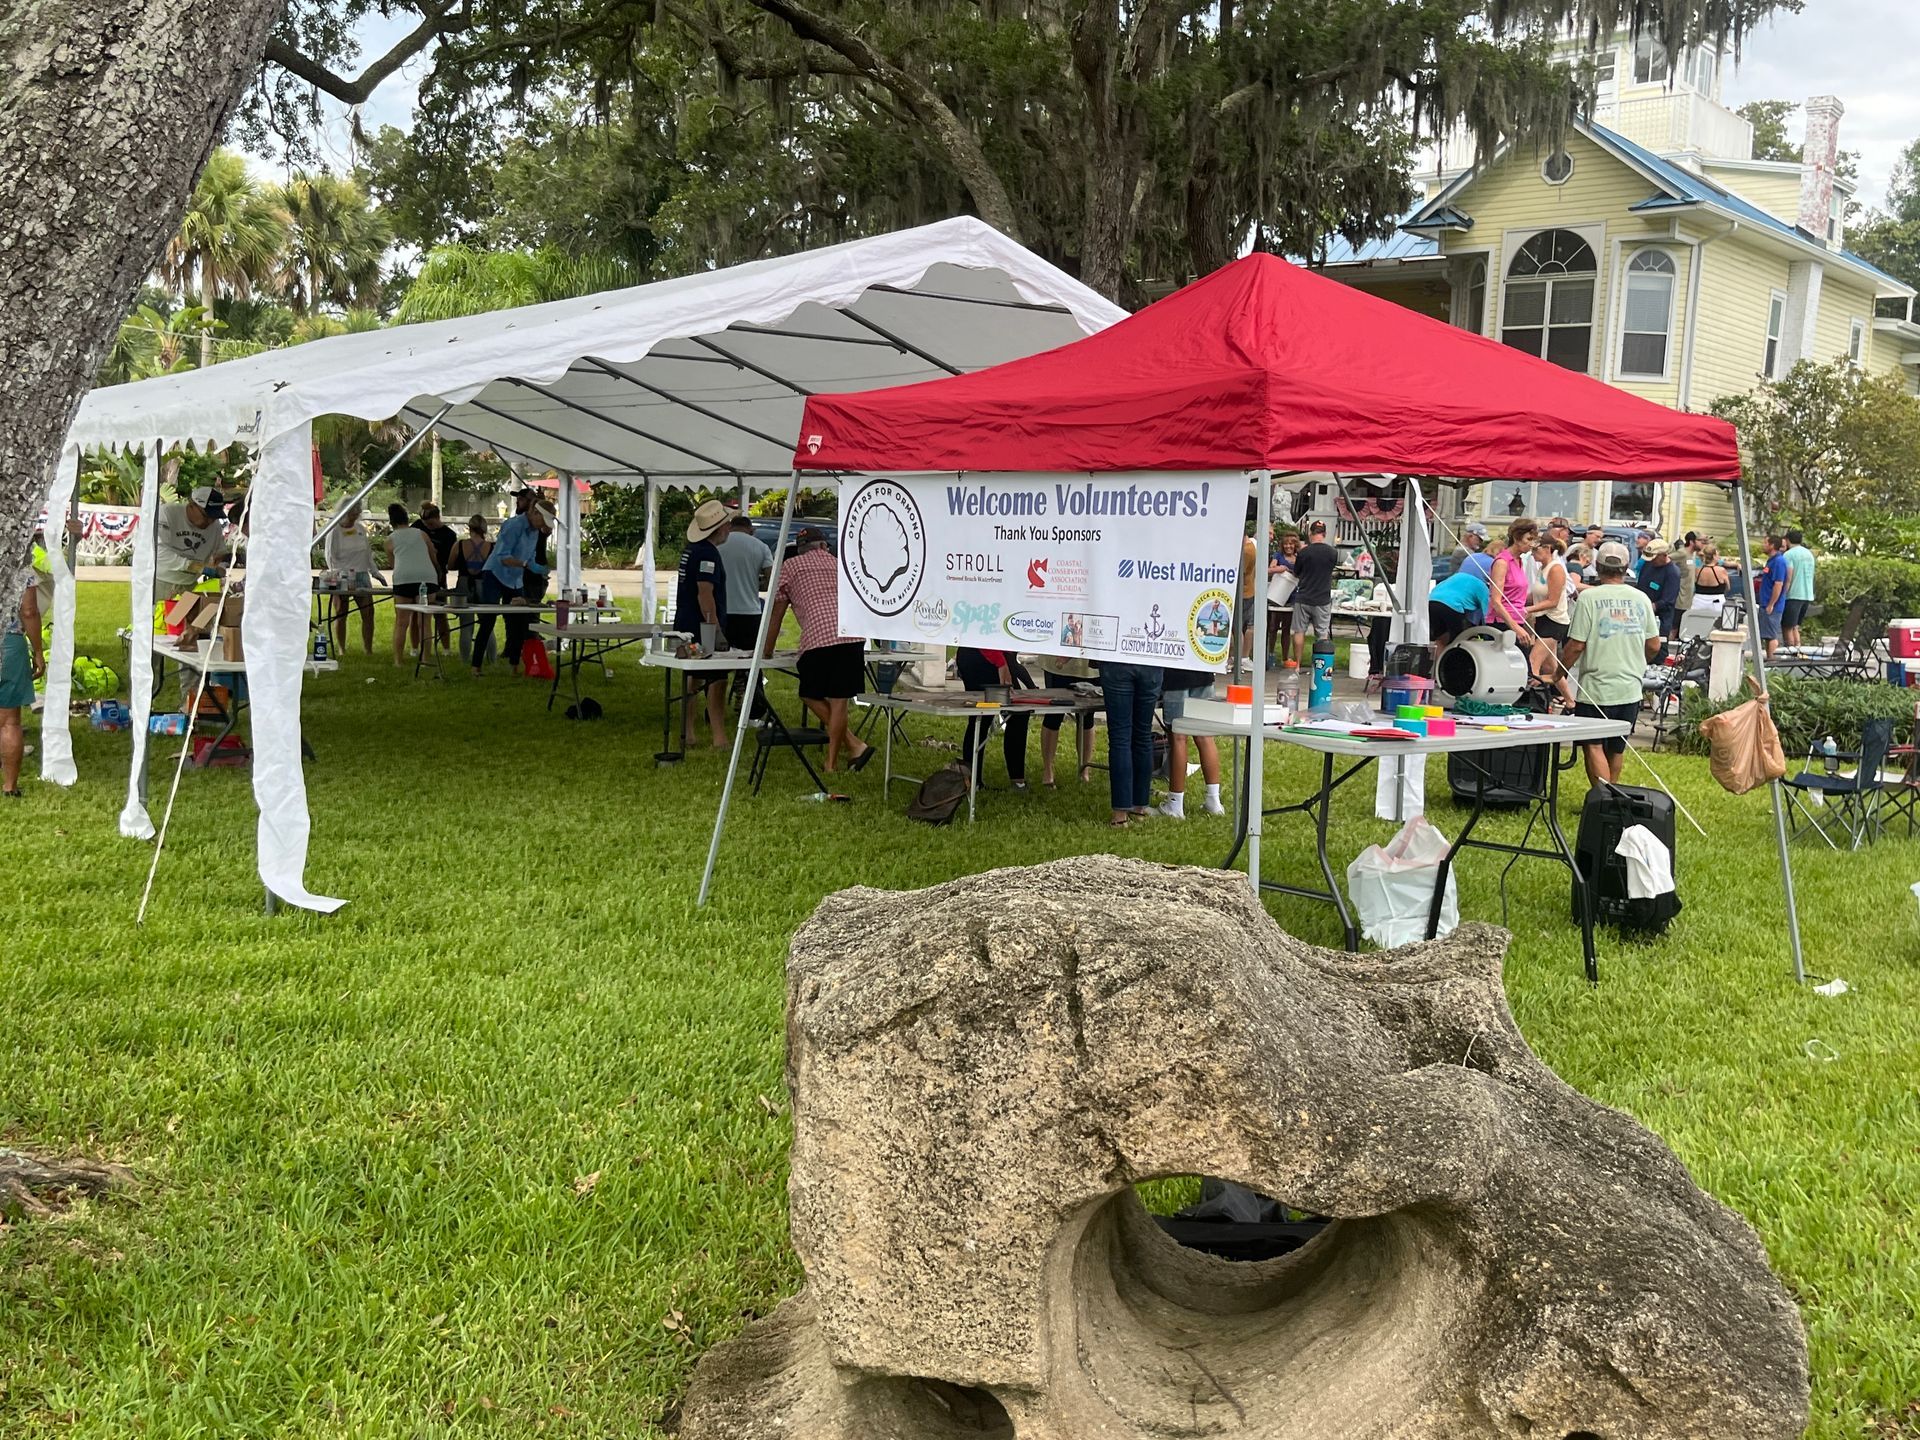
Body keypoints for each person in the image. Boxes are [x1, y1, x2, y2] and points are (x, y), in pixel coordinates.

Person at [764, 526, 872, 772]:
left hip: (819, 637)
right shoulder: (841, 565)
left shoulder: (790, 567)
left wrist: (766, 651)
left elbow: (776, 614)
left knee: (809, 694)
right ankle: (837, 759)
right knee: (839, 701)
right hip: (851, 634)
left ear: (799, 550)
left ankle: (851, 747)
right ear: (824, 546)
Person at [1560, 540, 1661, 786]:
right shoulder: (1641, 598)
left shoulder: (1589, 598)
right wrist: (1639, 661)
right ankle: (1611, 797)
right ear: (1626, 567)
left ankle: (1603, 799)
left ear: (1597, 565)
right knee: (1617, 747)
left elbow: (1576, 645)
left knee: (1593, 744)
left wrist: (1558, 672)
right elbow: (1654, 645)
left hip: (1595, 686)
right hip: (1630, 686)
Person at [674, 499, 734, 749]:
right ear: (719, 529)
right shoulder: (708, 554)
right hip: (702, 628)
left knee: (692, 677)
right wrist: (715, 627)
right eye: (727, 525)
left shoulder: (691, 550)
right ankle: (719, 736)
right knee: (717, 677)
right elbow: (705, 593)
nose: (729, 528)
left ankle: (689, 732)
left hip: (685, 624)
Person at [472, 500, 552, 676]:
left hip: (515, 579)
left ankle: (514, 665)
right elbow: (502, 556)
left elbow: (529, 556)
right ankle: (476, 666)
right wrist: (525, 564)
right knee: (488, 620)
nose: (544, 527)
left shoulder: (535, 532)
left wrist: (536, 568)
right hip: (495, 574)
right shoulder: (514, 525)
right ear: (535, 513)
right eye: (543, 521)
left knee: (519, 621)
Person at [956, 647, 1032, 789]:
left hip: (991, 655)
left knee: (1016, 714)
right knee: (983, 717)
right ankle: (974, 781)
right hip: (983, 655)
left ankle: (1014, 779)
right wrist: (1000, 662)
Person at [1100, 661, 1162, 827]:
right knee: (1142, 735)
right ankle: (1139, 807)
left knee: (1120, 737)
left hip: (1117, 662)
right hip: (1152, 661)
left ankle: (1120, 815)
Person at [1158, 668, 1224, 818]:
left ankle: (1175, 803)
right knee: (1205, 735)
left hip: (1175, 675)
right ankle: (1214, 800)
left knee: (1178, 737)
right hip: (1204, 671)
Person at [1, 574, 43, 797]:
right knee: (9, 721)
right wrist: (37, 651)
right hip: (9, 643)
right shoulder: (21, 565)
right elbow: (29, 611)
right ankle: (10, 786)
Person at [323, 502, 381, 656]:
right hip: (341, 576)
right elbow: (330, 557)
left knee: (368, 613)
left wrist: (375, 573)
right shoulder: (334, 530)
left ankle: (368, 649)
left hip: (361, 575)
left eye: (357, 513)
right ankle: (341, 648)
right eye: (352, 513)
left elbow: (367, 555)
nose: (355, 516)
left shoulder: (360, 529)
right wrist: (340, 576)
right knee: (341, 612)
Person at [1525, 532, 1576, 707]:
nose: (1532, 554)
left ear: (1547, 549)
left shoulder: (1556, 568)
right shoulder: (1542, 568)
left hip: (1554, 622)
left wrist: (1528, 609)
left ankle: (1533, 703)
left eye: (1535, 550)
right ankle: (1570, 702)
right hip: (1542, 620)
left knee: (1532, 662)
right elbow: (1537, 595)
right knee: (1551, 668)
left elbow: (1552, 601)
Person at [386, 502, 439, 666]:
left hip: (404, 578)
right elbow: (432, 556)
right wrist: (438, 572)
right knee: (425, 621)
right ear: (407, 518)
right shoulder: (421, 534)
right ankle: (425, 659)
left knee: (401, 622)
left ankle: (398, 660)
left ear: (391, 521)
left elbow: (393, 564)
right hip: (426, 577)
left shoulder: (390, 540)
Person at [154, 486, 226, 601]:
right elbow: (156, 552)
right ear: (192, 504)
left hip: (189, 584)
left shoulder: (215, 526)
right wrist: (192, 566)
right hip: (159, 581)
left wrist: (219, 563)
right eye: (206, 516)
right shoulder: (166, 513)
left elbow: (220, 551)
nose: (209, 522)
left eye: (214, 517)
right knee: (156, 617)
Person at [1039, 654, 1098, 787]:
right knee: (1053, 715)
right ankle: (1048, 770)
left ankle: (1084, 770)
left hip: (1089, 665)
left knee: (1088, 717)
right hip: (1057, 663)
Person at [1289, 520, 1338, 666]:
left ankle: (1297, 664)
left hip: (1303, 597)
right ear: (1324, 534)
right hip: (1322, 598)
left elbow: (1297, 572)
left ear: (1311, 534)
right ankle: (1320, 666)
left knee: (1299, 631)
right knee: (1322, 633)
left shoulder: (1303, 552)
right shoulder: (1332, 553)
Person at [448, 515, 493, 665]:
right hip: (484, 585)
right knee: (487, 625)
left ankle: (464, 660)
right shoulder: (491, 546)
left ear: (469, 527)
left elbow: (450, 565)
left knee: (466, 626)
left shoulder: (459, 545)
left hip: (464, 584)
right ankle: (492, 660)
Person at [415, 503, 460, 650]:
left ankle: (446, 648)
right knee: (416, 614)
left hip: (438, 576)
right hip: (418, 575)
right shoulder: (416, 527)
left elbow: (448, 560)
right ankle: (415, 648)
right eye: (426, 524)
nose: (429, 527)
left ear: (438, 518)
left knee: (440, 615)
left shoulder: (449, 535)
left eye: (431, 524)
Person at [1486, 518, 1539, 643]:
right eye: (1529, 539)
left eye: (1533, 540)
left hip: (1517, 620)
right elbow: (1496, 602)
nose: (1531, 544)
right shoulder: (1502, 562)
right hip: (1502, 624)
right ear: (1516, 538)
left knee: (1524, 662)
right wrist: (1516, 628)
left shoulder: (1519, 561)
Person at [1427, 564, 1490, 649]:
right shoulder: (1483, 587)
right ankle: (1454, 661)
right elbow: (1487, 615)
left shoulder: (1458, 576)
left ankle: (1437, 661)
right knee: (1458, 640)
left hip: (1431, 602)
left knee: (1440, 639)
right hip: (1452, 606)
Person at [1636, 537, 1684, 640]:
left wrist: (1649, 607)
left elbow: (1668, 601)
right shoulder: (1648, 564)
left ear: (1664, 555)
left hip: (1660, 621)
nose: (1651, 561)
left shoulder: (1672, 573)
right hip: (1641, 616)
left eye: (1654, 558)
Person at [1266, 529, 1300, 662]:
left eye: (1291, 544)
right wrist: (1279, 569)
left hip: (1291, 598)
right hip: (1277, 596)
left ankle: (1285, 657)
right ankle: (1270, 654)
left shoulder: (1299, 558)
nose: (1288, 546)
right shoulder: (1278, 556)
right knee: (1273, 627)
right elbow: (1269, 569)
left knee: (1286, 628)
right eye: (1286, 544)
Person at [1754, 534, 1790, 657]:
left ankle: (1772, 660)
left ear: (1772, 545)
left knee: (1771, 635)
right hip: (1765, 602)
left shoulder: (1779, 562)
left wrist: (1771, 604)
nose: (1763, 545)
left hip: (1772, 605)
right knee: (1766, 633)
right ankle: (1768, 659)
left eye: (1765, 543)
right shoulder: (1771, 560)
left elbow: (1778, 584)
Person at [1782, 528, 1816, 648]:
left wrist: (1783, 594)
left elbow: (1788, 577)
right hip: (1807, 594)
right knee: (1795, 625)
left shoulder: (1789, 554)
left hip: (1793, 594)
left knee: (1787, 626)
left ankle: (1790, 652)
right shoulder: (1809, 554)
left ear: (1787, 540)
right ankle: (1798, 650)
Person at [1238, 508, 1260, 669]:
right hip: (1250, 589)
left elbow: (1241, 572)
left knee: (1238, 627)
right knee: (1248, 626)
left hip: (1243, 592)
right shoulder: (1252, 546)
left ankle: (1241, 657)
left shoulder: (1246, 550)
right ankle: (1243, 657)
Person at [1690, 544, 1730, 616]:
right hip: (1716, 601)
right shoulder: (1721, 570)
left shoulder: (1698, 570)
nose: (1719, 557)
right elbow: (1728, 587)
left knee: (1696, 622)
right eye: (1718, 555)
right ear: (1714, 556)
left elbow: (1693, 585)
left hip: (1699, 601)